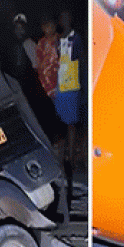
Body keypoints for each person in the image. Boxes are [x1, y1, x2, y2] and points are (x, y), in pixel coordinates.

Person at [55, 10, 83, 165]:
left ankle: (70, 156)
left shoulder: (76, 38)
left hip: (72, 86)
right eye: (62, 18)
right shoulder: (57, 40)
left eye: (67, 18)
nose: (64, 21)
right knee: (60, 122)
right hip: (59, 87)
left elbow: (81, 61)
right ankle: (62, 155)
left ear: (70, 19)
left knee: (71, 123)